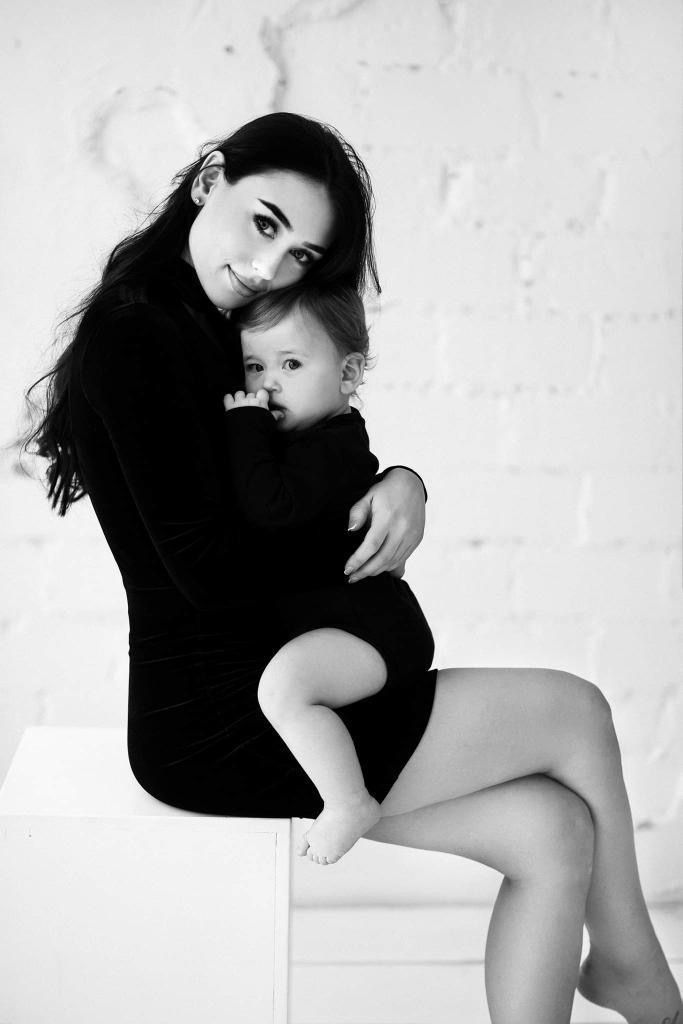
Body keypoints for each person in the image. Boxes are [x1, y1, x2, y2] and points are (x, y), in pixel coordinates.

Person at [20, 111, 680, 1022]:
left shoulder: (198, 322)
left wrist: (402, 479)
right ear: (209, 179)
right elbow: (209, 571)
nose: (271, 263)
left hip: (264, 684)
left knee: (551, 832)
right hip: (232, 710)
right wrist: (371, 504)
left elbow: (287, 475)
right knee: (575, 712)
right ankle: (635, 966)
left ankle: (620, 968)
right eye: (264, 222)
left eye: (300, 256)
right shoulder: (144, 340)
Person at [223, 284, 435, 866]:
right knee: (286, 688)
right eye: (255, 366)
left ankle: (348, 802)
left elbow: (271, 508)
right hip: (351, 628)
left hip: (375, 631)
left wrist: (243, 425)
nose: (267, 383)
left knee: (286, 690)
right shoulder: (304, 440)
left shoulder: (336, 445)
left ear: (348, 374)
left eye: (291, 364)